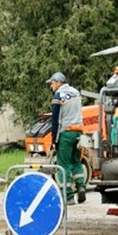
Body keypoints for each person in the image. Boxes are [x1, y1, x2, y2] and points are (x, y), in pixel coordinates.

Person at [46, 71, 86, 204]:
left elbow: (56, 120)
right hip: (79, 133)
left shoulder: (59, 96)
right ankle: (81, 186)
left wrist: (54, 141)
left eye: (52, 83)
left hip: (66, 133)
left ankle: (68, 196)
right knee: (76, 161)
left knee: (64, 164)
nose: (51, 86)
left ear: (58, 82)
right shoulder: (76, 92)